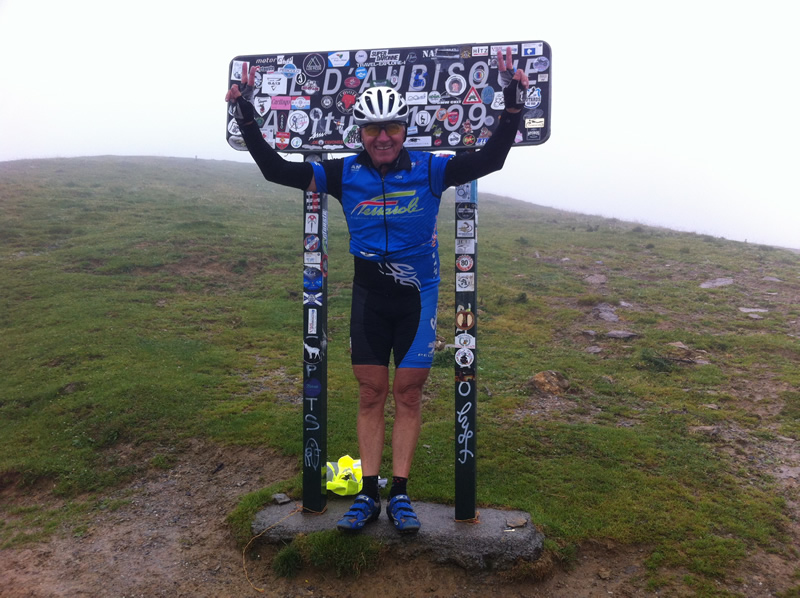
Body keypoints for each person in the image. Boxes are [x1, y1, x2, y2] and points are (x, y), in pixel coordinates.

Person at [226, 48, 529, 534]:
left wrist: (512, 105)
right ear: (360, 134)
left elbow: (490, 159)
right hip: (369, 296)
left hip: (418, 295)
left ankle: (401, 494)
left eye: (391, 128)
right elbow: (275, 171)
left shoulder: (431, 170)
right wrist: (244, 115)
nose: (383, 138)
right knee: (371, 392)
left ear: (404, 130)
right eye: (372, 129)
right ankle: (369, 494)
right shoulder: (343, 174)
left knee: (408, 393)